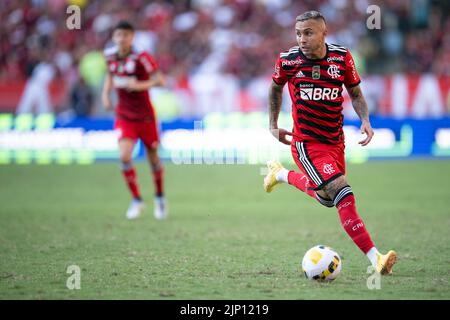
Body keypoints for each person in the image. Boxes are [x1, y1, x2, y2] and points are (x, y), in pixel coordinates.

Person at [264, 11, 397, 274]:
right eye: (298, 33)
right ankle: (376, 259)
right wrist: (273, 124)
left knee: (327, 199)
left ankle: (281, 175)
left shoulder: (342, 57)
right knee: (343, 193)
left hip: (336, 142)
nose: (302, 39)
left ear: (324, 33)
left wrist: (366, 120)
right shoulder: (288, 60)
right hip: (307, 144)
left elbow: (355, 92)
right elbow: (275, 88)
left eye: (309, 33)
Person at [102, 21, 167, 220]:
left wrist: (139, 85)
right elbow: (110, 76)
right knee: (124, 156)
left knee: (153, 158)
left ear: (132, 37)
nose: (122, 38)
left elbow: (160, 80)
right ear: (114, 37)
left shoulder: (142, 58)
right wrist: (105, 94)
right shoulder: (110, 57)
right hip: (124, 116)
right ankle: (137, 200)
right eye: (118, 35)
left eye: (126, 35)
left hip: (146, 117)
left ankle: (159, 197)